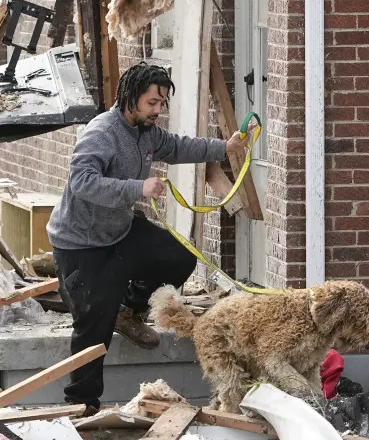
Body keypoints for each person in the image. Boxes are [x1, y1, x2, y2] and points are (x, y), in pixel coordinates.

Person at [46, 62, 249, 412]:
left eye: (161, 103)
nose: (158, 110)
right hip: (81, 244)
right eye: (152, 103)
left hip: (119, 230)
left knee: (179, 258)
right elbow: (81, 182)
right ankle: (81, 405)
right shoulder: (101, 133)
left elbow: (178, 146)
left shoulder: (147, 132)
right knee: (93, 325)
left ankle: (130, 309)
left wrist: (223, 148)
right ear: (130, 98)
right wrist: (137, 187)